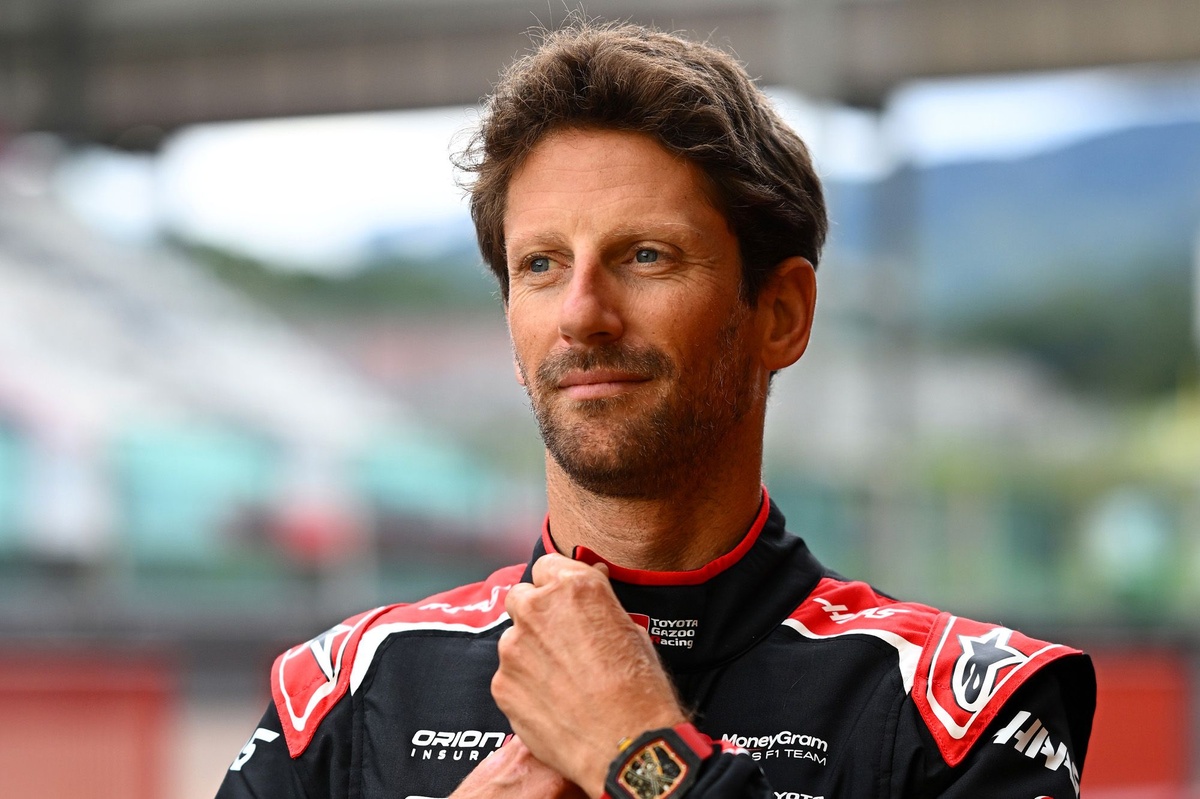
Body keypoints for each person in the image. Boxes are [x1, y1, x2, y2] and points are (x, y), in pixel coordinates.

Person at [217, 20, 1095, 799]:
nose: (582, 314)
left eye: (645, 256)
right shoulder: (345, 690)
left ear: (781, 314)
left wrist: (643, 753)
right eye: (542, 265)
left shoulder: (965, 711)